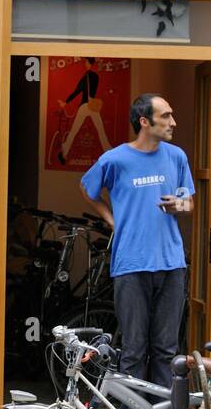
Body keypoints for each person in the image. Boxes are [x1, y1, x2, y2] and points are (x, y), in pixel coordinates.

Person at [78, 93, 194, 390]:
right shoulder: (115, 159)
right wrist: (110, 218)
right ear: (145, 121)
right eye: (166, 116)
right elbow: (87, 189)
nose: (173, 122)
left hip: (171, 264)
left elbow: (189, 202)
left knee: (166, 350)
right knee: (133, 349)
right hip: (131, 264)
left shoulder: (176, 156)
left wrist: (176, 206)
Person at [56, 58, 112, 163]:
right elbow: (93, 90)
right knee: (101, 130)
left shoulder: (85, 77)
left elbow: (76, 91)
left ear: (88, 63)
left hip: (84, 106)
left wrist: (66, 102)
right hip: (93, 106)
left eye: (86, 62)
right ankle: (109, 150)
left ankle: (64, 151)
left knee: (74, 131)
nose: (85, 63)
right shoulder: (96, 76)